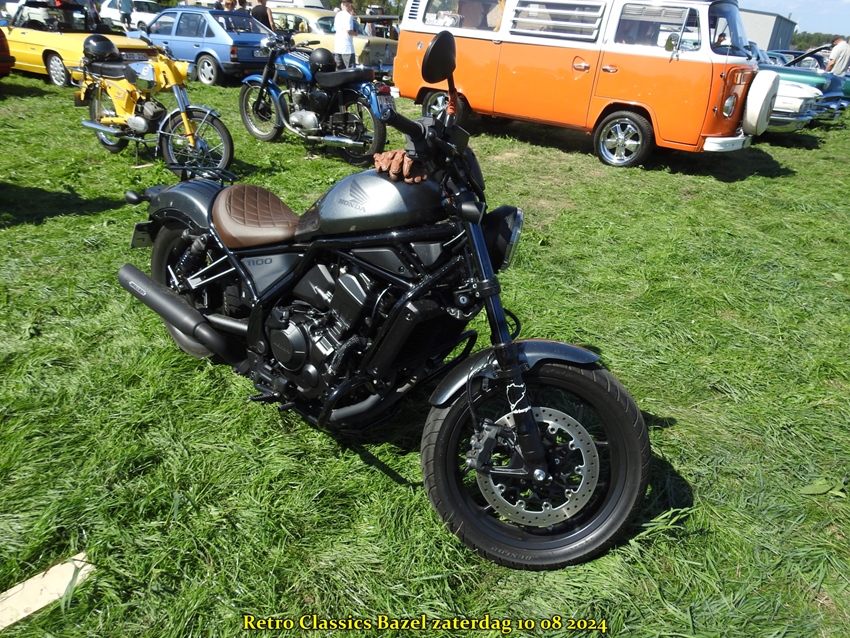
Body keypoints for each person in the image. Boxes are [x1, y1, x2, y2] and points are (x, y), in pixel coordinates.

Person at [333, 0, 357, 69]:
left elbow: (335, 28)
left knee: (340, 70)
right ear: (349, 5)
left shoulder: (337, 15)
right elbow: (348, 30)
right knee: (350, 70)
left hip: (338, 48)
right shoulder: (348, 16)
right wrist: (355, 34)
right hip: (347, 49)